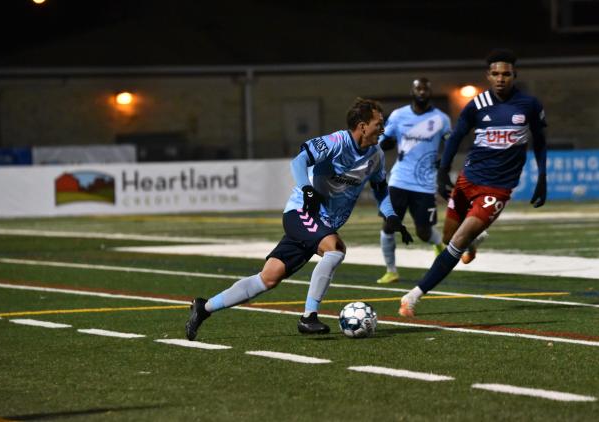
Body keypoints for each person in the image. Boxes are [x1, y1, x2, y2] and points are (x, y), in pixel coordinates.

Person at [185, 97, 413, 339]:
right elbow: (299, 160)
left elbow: (379, 188)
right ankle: (308, 317)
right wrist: (306, 189)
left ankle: (204, 307)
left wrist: (391, 215)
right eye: (379, 123)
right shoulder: (336, 142)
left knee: (268, 278)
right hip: (302, 213)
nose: (383, 128)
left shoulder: (376, 155)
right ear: (362, 125)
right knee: (335, 249)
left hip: (321, 224)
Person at [398, 48, 548, 317]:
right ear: (488, 76)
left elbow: (540, 141)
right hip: (468, 180)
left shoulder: (529, 105)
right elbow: (455, 137)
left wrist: (542, 177)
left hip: (497, 189)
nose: (501, 79)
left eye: (506, 74)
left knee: (456, 242)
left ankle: (413, 296)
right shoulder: (477, 105)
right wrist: (444, 172)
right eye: (495, 74)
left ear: (515, 75)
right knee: (447, 239)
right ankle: (475, 240)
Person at [376, 77, 451, 285]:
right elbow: (382, 141)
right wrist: (385, 144)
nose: (422, 92)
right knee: (389, 224)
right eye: (418, 88)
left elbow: (450, 145)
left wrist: (444, 167)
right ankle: (391, 271)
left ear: (430, 92)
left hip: (425, 184)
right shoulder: (399, 115)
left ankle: (439, 247)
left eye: (425, 88)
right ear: (412, 91)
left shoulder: (441, 119)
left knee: (423, 232)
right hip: (399, 180)